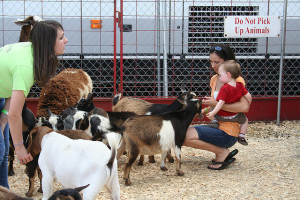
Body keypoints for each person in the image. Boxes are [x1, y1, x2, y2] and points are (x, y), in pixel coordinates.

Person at [0, 19, 68, 177]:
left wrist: (3, 121)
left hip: (2, 94)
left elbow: (12, 87)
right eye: (61, 37)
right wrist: (19, 147)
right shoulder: (26, 66)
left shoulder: (32, 52)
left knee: (2, 153)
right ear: (47, 43)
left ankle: (5, 193)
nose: (66, 40)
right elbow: (15, 114)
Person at [183, 44, 252, 170]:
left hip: (229, 131)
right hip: (218, 126)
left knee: (184, 136)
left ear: (227, 62)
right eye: (211, 61)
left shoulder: (236, 81)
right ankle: (221, 151)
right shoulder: (215, 78)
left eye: (217, 62)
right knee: (181, 133)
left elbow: (244, 107)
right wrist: (201, 112)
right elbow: (216, 105)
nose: (213, 66)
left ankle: (221, 152)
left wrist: (215, 104)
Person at [206, 60, 251, 146]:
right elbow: (248, 96)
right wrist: (249, 103)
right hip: (235, 116)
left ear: (228, 75)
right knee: (245, 121)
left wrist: (212, 114)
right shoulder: (240, 85)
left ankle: (214, 122)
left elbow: (220, 103)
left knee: (212, 108)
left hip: (222, 116)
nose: (219, 77)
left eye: (220, 75)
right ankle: (241, 136)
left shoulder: (224, 88)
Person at [0, 98, 9, 188]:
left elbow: (11, 96)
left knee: (6, 151)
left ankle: (4, 191)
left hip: (3, 102)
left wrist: (2, 124)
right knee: (0, 150)